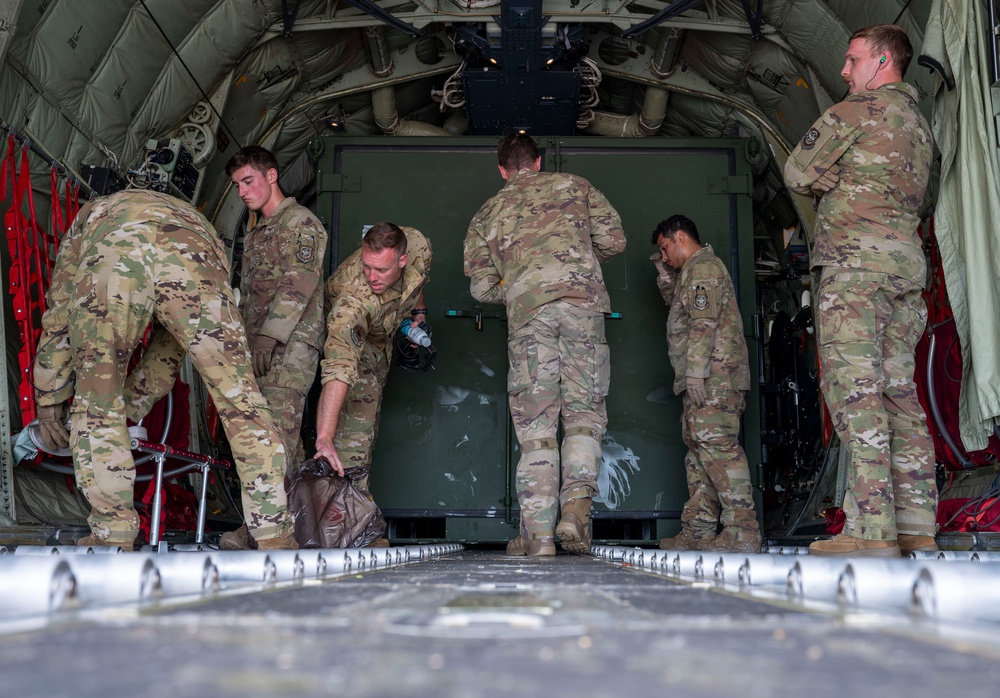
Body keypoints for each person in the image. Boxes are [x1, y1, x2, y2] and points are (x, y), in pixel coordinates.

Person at [33, 189, 295, 550]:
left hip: (117, 258)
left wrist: (49, 398)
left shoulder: (94, 215)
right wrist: (135, 404)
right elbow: (173, 347)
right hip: (195, 262)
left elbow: (60, 314)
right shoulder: (200, 225)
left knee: (98, 402)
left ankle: (114, 534)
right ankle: (272, 534)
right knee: (240, 399)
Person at [783, 24, 936, 557]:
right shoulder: (920, 125)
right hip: (904, 270)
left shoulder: (857, 112)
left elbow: (798, 170)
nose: (844, 71)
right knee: (901, 395)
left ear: (881, 61)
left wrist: (838, 180)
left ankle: (871, 530)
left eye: (852, 60)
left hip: (855, 271)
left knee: (856, 391)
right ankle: (916, 524)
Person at [463, 131, 625, 557]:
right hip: (582, 310)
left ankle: (539, 539)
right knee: (584, 416)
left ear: (502, 169)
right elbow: (614, 240)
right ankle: (575, 513)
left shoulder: (487, 213)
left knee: (536, 430)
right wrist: (574, 266)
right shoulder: (576, 186)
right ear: (537, 162)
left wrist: (520, 286)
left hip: (530, 320)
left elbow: (481, 287)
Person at [219, 146, 326, 550]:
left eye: (249, 181)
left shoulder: (300, 223)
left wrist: (271, 335)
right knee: (285, 442)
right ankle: (295, 526)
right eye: (236, 186)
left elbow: (299, 283)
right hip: (263, 349)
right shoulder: (258, 227)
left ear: (272, 176)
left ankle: (261, 529)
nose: (243, 192)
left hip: (289, 349)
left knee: (271, 439)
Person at [651, 215, 760, 553]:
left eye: (665, 248)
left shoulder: (704, 268)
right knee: (700, 454)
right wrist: (665, 275)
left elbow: (703, 323)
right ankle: (698, 531)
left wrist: (696, 372)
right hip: (704, 379)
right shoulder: (690, 274)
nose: (664, 256)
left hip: (715, 377)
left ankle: (743, 532)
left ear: (680, 236)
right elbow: (681, 311)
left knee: (720, 450)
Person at [314, 221, 431, 534]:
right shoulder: (352, 300)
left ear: (401, 260)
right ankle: (348, 529)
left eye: (381, 270)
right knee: (355, 435)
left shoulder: (417, 245)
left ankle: (358, 518)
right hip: (357, 342)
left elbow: (418, 283)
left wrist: (418, 314)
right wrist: (324, 437)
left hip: (383, 337)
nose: (372, 277)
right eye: (367, 267)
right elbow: (338, 367)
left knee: (371, 429)